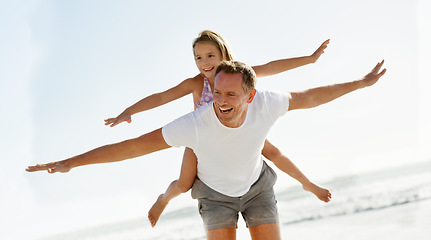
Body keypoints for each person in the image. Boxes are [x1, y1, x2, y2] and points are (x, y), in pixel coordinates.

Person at [26, 60, 387, 240]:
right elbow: (132, 147)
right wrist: (70, 163)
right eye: (217, 92)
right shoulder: (195, 124)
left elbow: (311, 97)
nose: (222, 100)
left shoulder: (268, 103)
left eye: (232, 94)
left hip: (258, 188)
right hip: (214, 196)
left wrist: (360, 83)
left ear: (250, 95)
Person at [103, 30, 331, 227]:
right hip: (202, 140)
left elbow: (271, 67)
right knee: (184, 184)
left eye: (210, 55)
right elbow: (163, 96)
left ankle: (307, 184)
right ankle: (163, 200)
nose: (204, 62)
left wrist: (309, 59)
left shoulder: (238, 73)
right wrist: (129, 111)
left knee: (273, 152)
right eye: (198, 58)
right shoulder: (196, 83)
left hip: (238, 133)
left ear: (224, 54)